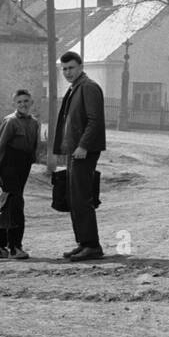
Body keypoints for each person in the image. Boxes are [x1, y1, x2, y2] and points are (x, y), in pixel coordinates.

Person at [52, 51, 107, 260]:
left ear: (81, 67)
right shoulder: (75, 88)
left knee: (82, 198)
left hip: (84, 151)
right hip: (74, 151)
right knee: (74, 198)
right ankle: (83, 243)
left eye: (71, 68)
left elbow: (95, 121)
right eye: (64, 69)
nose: (67, 72)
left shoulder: (89, 87)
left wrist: (83, 146)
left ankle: (92, 245)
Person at [0, 89, 39, 260]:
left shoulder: (34, 123)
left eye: (26, 101)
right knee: (17, 205)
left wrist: (30, 163)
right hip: (8, 166)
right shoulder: (10, 121)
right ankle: (15, 247)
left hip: (23, 167)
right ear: (14, 104)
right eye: (19, 102)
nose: (23, 104)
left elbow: (33, 148)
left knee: (8, 205)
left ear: (31, 103)